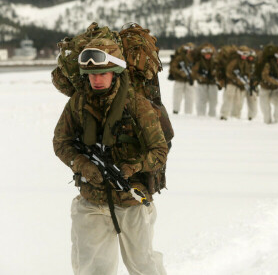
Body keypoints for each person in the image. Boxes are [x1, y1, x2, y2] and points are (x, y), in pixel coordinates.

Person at [53, 38, 168, 274]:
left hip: (132, 199)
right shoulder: (78, 103)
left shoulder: (136, 105)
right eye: (92, 74)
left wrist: (133, 167)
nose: (96, 79)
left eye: (103, 73)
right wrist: (83, 165)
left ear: (115, 72)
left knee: (143, 265)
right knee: (92, 267)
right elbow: (61, 142)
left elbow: (159, 151)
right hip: (92, 198)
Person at [219, 45, 252, 120]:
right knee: (229, 98)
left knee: (239, 101)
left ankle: (236, 116)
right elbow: (228, 72)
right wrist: (236, 79)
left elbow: (248, 73)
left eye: (246, 54)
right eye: (243, 54)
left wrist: (245, 80)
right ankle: (224, 114)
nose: (244, 56)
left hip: (241, 85)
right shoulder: (234, 61)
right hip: (231, 83)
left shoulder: (246, 63)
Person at [259, 49, 278, 124]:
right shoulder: (268, 65)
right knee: (265, 107)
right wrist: (276, 82)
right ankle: (267, 123)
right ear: (277, 57)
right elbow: (265, 76)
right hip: (265, 88)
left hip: (276, 90)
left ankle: (277, 120)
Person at [191, 43, 219, 117]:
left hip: (213, 83)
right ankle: (201, 115)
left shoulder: (215, 62)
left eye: (209, 54)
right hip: (202, 83)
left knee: (213, 101)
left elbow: (219, 71)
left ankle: (212, 115)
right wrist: (201, 77)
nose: (207, 55)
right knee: (201, 100)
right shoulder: (199, 62)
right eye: (206, 54)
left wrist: (214, 75)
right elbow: (194, 72)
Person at [169, 42, 195, 114]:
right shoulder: (180, 57)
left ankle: (188, 113)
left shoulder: (194, 58)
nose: (190, 50)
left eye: (191, 49)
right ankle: (175, 110)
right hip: (179, 80)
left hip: (190, 80)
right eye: (189, 49)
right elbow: (173, 67)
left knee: (190, 97)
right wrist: (181, 73)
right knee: (177, 97)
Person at [245, 49, 259, 120]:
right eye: (249, 57)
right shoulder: (244, 64)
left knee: (253, 101)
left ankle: (252, 116)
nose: (251, 58)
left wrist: (255, 83)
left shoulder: (256, 65)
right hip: (244, 84)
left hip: (253, 85)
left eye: (252, 57)